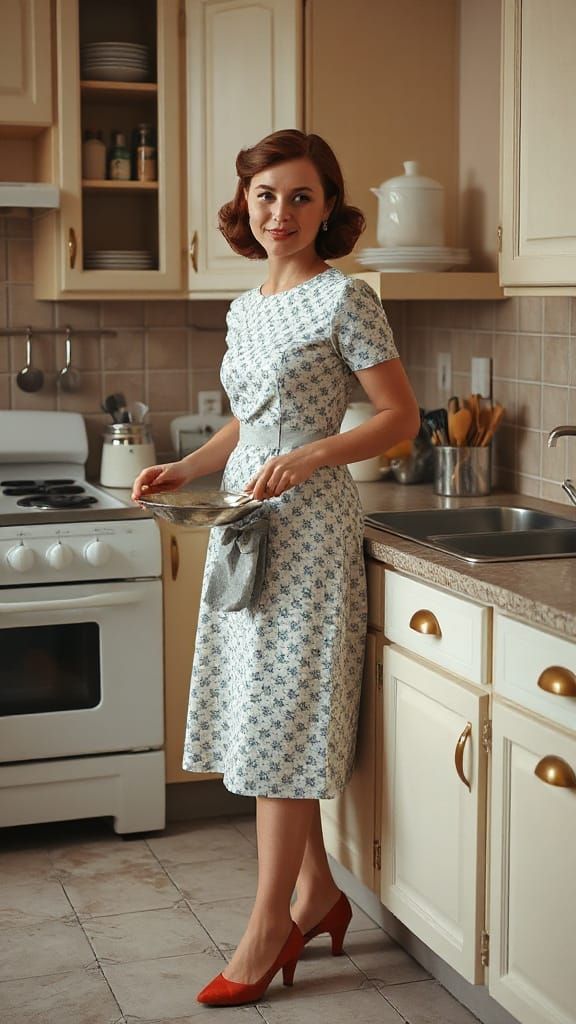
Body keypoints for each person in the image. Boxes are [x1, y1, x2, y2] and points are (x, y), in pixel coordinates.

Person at [132, 129, 420, 1007]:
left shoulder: (348, 299)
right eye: (266, 196)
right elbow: (247, 421)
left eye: (300, 197)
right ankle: (321, 894)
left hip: (310, 527)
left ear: (328, 207)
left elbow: (400, 417)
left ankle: (268, 931)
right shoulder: (245, 304)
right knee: (264, 714)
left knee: (284, 727)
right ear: (243, 204)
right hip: (244, 521)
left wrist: (318, 455)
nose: (281, 213)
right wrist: (190, 467)